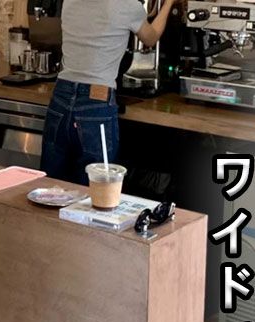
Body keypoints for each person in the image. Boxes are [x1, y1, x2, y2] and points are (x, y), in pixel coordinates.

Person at [40, 0, 178, 184]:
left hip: (61, 95)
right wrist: (168, 4)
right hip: (96, 101)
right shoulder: (127, 6)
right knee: (96, 187)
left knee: (51, 184)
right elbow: (150, 38)